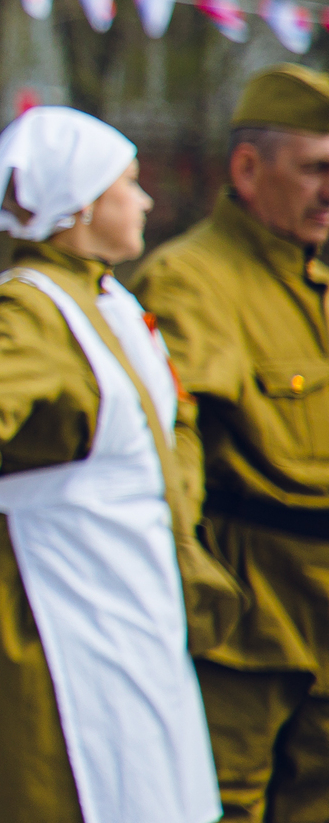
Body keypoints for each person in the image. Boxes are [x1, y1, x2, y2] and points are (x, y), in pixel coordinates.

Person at [0, 106, 228, 823]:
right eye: (130, 183)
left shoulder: (112, 301)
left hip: (130, 595)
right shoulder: (27, 310)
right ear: (83, 203)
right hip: (50, 601)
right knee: (54, 790)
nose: (146, 200)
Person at [130, 65, 329, 823]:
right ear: (248, 168)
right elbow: (167, 452)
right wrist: (185, 582)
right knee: (218, 805)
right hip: (248, 612)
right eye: (316, 168)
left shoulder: (315, 283)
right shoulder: (190, 283)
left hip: (319, 605)